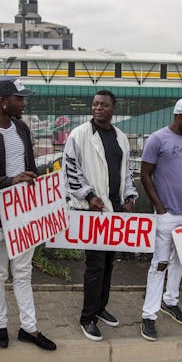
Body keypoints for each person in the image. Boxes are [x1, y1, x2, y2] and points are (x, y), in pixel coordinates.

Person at [0, 76, 56, 351]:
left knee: (23, 272)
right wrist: (10, 180)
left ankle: (29, 328)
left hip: (22, 215)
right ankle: (0, 325)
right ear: (2, 101)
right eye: (20, 98)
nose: (24, 103)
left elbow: (28, 166)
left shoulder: (22, 128)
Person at [63, 90, 138, 341]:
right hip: (93, 211)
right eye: (95, 104)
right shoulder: (79, 135)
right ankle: (87, 317)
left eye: (104, 105)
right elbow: (71, 170)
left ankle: (100, 307)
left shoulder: (120, 137)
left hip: (114, 211)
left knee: (108, 263)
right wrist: (89, 196)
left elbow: (126, 171)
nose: (98, 108)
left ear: (113, 108)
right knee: (95, 265)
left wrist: (129, 197)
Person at [140, 97, 182, 341]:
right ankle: (149, 314)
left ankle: (170, 301)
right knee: (159, 264)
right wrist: (159, 207)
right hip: (166, 214)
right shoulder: (157, 139)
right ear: (180, 116)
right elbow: (145, 174)